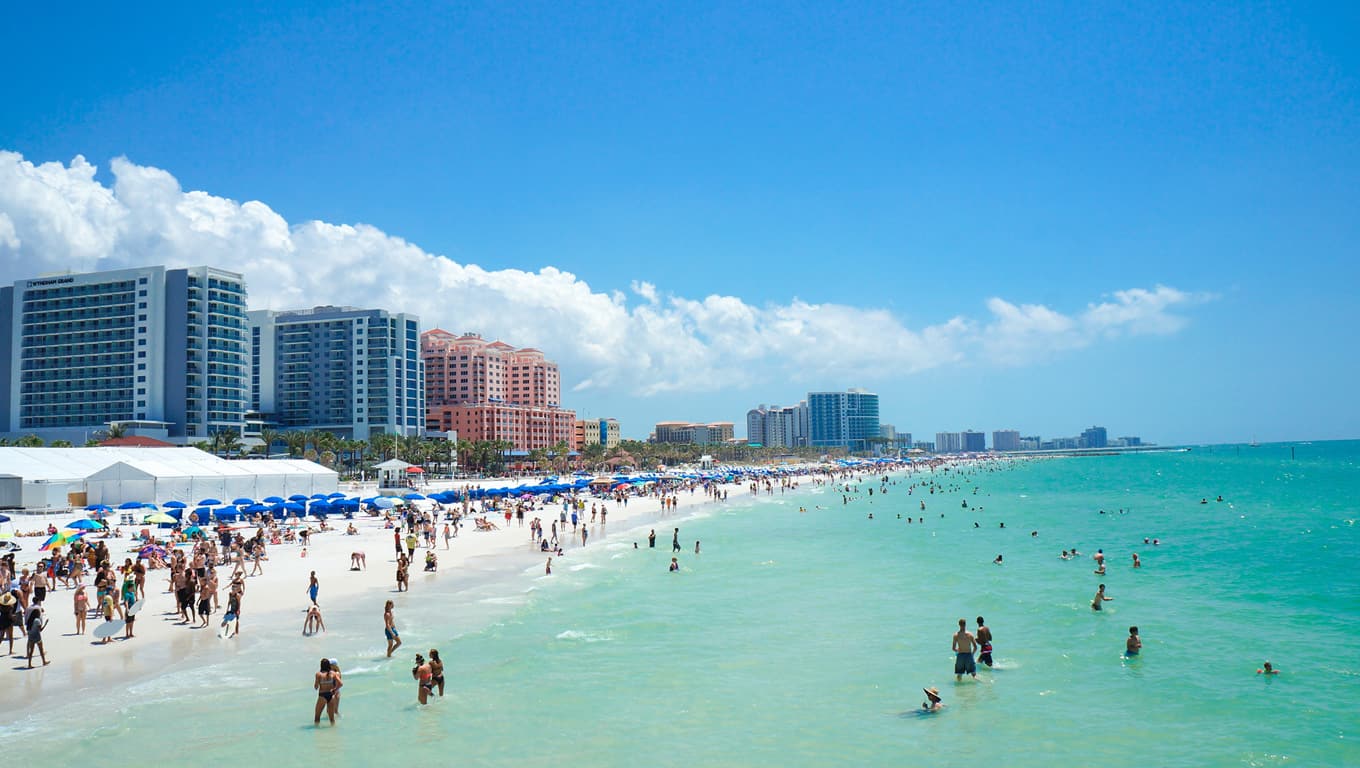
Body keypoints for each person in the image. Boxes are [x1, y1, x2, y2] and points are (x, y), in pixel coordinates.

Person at [314, 658, 340, 725]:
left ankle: (317, 733)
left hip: (322, 695)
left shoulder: (318, 674)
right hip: (331, 695)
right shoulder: (333, 673)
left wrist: (318, 684)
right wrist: (334, 689)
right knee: (332, 719)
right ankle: (334, 732)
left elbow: (316, 687)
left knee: (317, 717)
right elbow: (340, 683)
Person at [25, 598, 49, 668]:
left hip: (31, 636)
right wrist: (46, 623)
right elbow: (40, 629)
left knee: (31, 651)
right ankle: (44, 661)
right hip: (37, 636)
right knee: (41, 650)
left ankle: (29, 664)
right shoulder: (37, 620)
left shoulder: (30, 620)